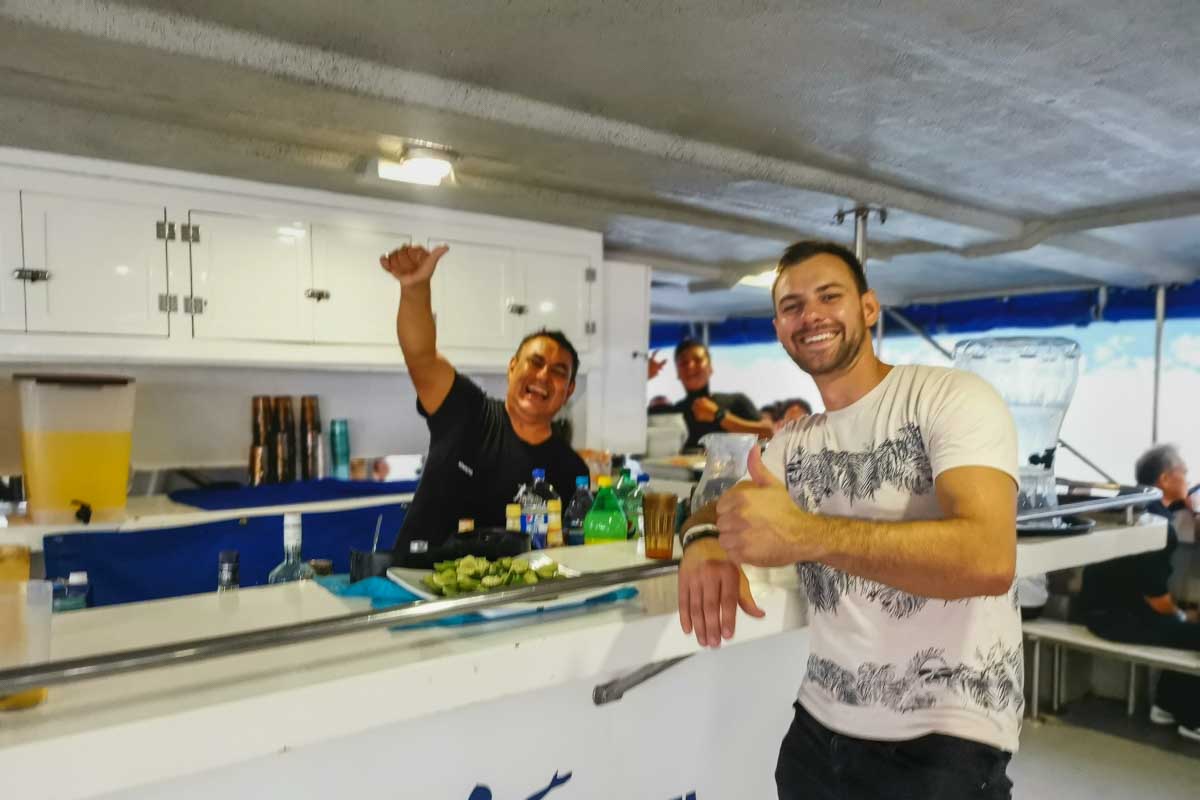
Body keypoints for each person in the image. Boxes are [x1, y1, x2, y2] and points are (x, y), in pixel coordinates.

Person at [676, 240, 1021, 799]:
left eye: (828, 296)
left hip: (941, 742)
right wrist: (704, 539)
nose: (809, 315)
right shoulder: (795, 440)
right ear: (779, 327)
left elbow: (987, 560)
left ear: (867, 307)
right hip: (817, 733)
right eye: (791, 306)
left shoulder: (948, 397)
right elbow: (719, 504)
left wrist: (805, 533)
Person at [380, 244, 588, 564]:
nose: (543, 376)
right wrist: (414, 288)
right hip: (416, 587)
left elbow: (567, 553)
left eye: (559, 372)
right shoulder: (466, 411)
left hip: (510, 603)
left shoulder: (571, 471)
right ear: (511, 367)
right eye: (534, 362)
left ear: (569, 389)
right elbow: (421, 357)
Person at [1078, 445, 1200, 742]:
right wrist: (1185, 615)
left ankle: (1166, 706)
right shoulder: (1158, 528)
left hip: (1100, 610)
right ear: (1166, 479)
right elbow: (1157, 599)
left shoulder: (1135, 505)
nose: (1188, 477)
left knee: (1185, 629)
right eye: (1184, 472)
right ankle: (1191, 718)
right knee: (1192, 630)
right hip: (1118, 619)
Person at [668, 338, 773, 449]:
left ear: (710, 368)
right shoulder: (674, 413)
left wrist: (719, 415)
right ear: (677, 372)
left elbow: (768, 433)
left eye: (698, 360)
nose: (690, 366)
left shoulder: (736, 401)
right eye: (684, 363)